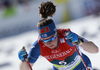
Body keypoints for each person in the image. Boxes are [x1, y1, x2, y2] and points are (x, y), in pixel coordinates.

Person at [18, 1, 99, 70]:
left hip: (81, 67)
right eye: (44, 41)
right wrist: (23, 61)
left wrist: (79, 41)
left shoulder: (67, 36)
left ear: (56, 34)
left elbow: (95, 50)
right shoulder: (38, 46)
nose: (48, 43)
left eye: (51, 39)